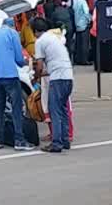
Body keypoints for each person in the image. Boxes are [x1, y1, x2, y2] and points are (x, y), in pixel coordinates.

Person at [0, 18, 34, 151]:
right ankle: (19, 140)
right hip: (10, 75)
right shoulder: (13, 34)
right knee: (16, 107)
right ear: (13, 26)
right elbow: (19, 59)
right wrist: (27, 62)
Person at [32, 16, 74, 153]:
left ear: (36, 31)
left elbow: (39, 65)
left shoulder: (40, 41)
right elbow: (51, 67)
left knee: (54, 110)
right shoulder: (54, 38)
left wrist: (36, 77)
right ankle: (65, 140)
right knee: (62, 110)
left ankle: (56, 143)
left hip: (58, 79)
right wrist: (41, 74)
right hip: (68, 77)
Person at [71, 0, 91, 65]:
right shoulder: (83, 1)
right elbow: (86, 12)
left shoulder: (75, 1)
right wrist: (89, 20)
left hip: (77, 24)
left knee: (78, 44)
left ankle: (78, 59)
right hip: (83, 24)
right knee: (84, 44)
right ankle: (84, 60)